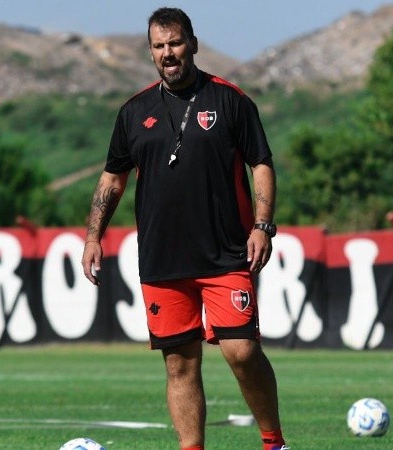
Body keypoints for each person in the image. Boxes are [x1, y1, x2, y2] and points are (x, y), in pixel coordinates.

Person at [81, 7, 288, 450]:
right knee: (179, 364)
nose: (167, 53)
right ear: (151, 52)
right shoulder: (133, 111)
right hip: (162, 257)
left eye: (174, 43)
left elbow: (261, 165)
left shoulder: (230, 100)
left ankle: (274, 442)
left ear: (192, 44)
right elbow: (112, 178)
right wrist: (94, 237)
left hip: (226, 251)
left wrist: (263, 225)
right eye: (158, 46)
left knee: (242, 351)